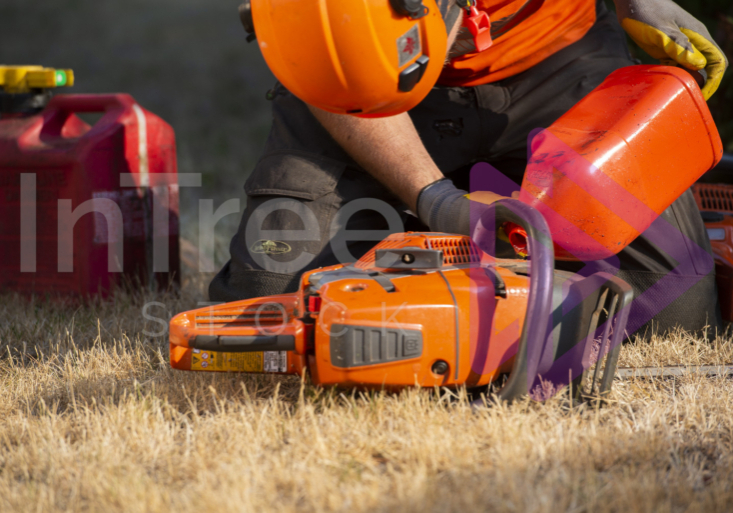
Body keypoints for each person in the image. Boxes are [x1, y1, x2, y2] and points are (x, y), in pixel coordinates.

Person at [210, 0, 729, 338]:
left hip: (559, 63)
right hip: (366, 101)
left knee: (673, 315)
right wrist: (435, 200)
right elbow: (326, 69)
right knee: (267, 323)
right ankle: (415, 229)